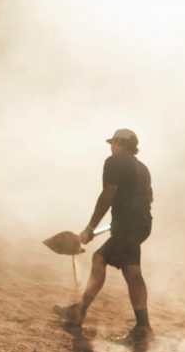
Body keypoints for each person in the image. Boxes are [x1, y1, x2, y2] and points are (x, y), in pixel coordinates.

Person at [54, 128, 153, 339]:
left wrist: (91, 227)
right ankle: (81, 311)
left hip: (127, 225)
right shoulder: (143, 168)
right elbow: (149, 199)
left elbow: (108, 193)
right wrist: (125, 219)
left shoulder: (115, 161)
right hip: (142, 224)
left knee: (127, 270)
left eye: (112, 143)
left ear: (119, 142)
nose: (111, 147)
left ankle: (142, 328)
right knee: (109, 262)